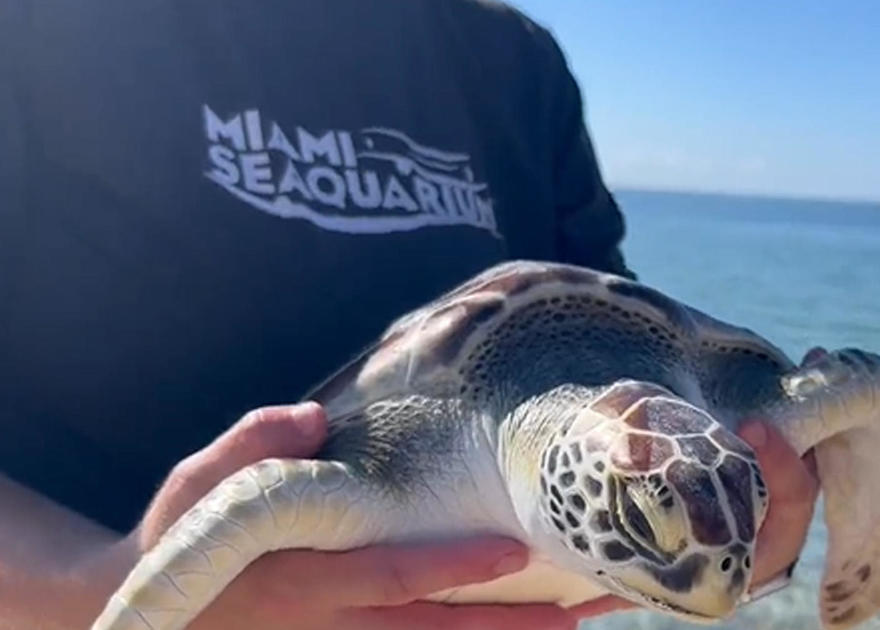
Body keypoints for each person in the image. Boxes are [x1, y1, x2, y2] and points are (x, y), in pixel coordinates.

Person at [0, 1, 820, 628]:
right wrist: (109, 590)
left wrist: (752, 520)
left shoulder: (512, 64)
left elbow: (628, 389)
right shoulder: (48, 33)